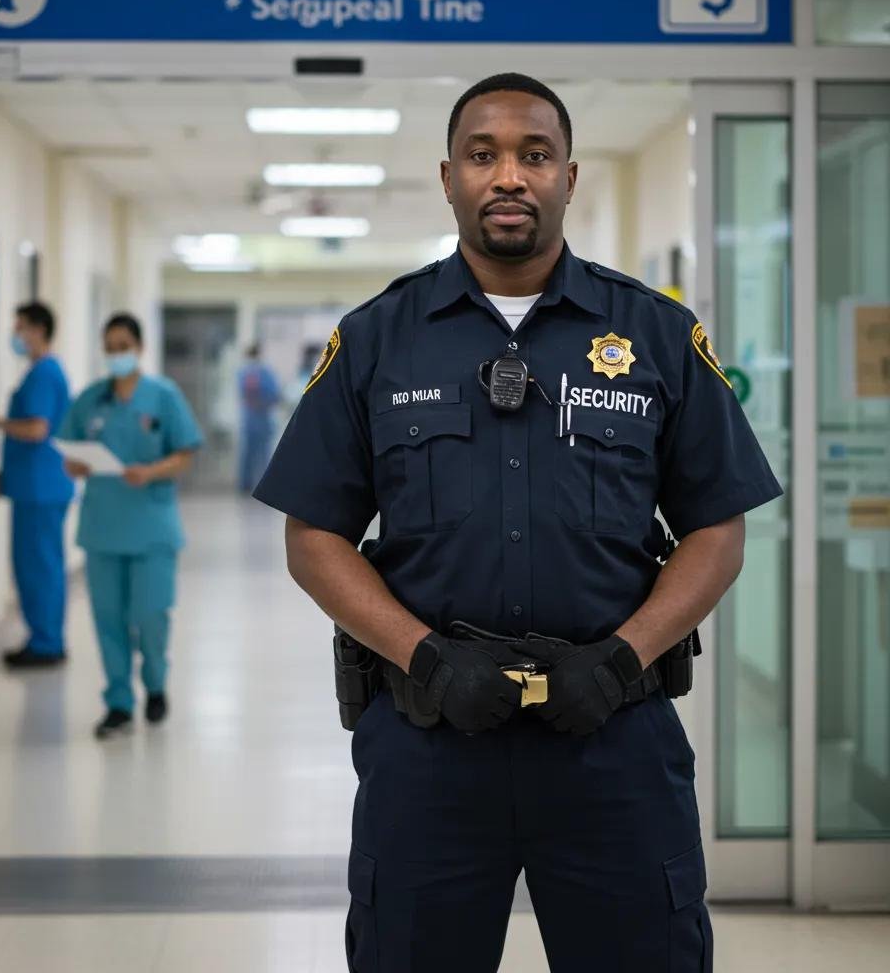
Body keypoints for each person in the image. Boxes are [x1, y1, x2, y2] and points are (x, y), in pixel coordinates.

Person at [253, 73, 783, 972]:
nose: (509, 175)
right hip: (430, 746)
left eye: (534, 155)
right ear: (450, 177)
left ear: (569, 178)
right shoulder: (378, 338)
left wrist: (622, 660)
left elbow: (717, 530)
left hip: (611, 739)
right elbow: (314, 538)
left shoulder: (653, 335)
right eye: (483, 155)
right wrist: (424, 656)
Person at [57, 312, 203, 739]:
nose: (116, 353)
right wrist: (76, 463)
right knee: (108, 620)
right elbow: (69, 450)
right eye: (110, 346)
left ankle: (155, 684)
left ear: (139, 348)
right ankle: (119, 702)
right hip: (103, 528)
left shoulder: (163, 396)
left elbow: (187, 450)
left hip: (153, 527)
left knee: (152, 615)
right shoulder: (91, 400)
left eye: (124, 345)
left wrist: (153, 470)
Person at [0, 302, 73, 669]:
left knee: (38, 566)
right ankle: (45, 639)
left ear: (39, 330)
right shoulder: (42, 371)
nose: (16, 335)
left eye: (21, 328)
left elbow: (36, 428)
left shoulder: (44, 373)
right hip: (39, 485)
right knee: (42, 565)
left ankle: (46, 643)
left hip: (40, 487)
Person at [236, 343, 281, 493]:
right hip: (257, 419)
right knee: (258, 454)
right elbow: (275, 395)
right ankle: (258, 487)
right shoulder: (263, 372)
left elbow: (273, 395)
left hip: (256, 420)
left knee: (255, 454)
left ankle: (249, 486)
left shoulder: (245, 373)